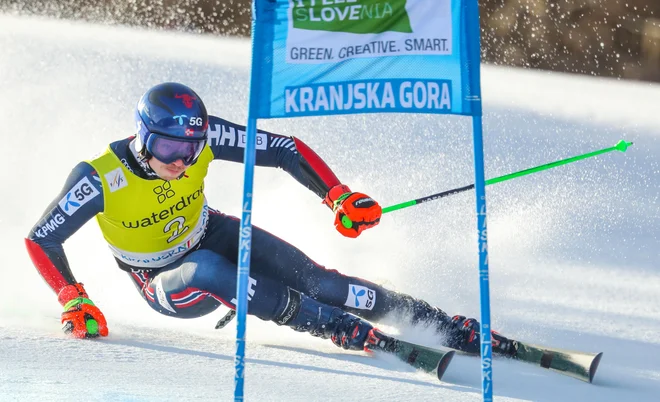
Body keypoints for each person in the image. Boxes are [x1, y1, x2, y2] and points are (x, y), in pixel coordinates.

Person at [26, 82, 515, 356]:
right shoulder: (100, 177)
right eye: (168, 147)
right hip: (161, 280)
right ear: (143, 137)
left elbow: (284, 149)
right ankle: (337, 328)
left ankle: (438, 323)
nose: (180, 160)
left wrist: (337, 196)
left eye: (191, 148)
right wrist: (73, 297)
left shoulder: (203, 139)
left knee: (318, 280)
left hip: (210, 231)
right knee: (211, 272)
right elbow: (41, 239)